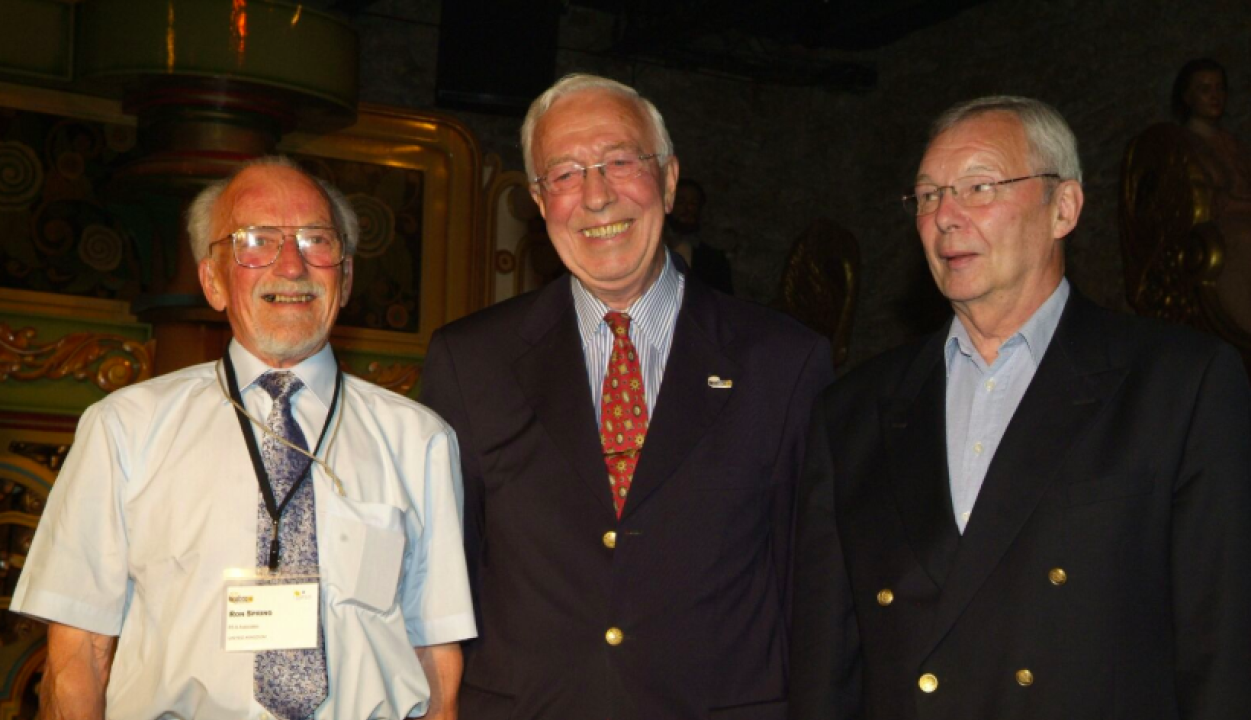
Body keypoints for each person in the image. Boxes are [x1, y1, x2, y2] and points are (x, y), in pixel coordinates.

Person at [789, 96, 1251, 720]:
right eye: (928, 195)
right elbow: (826, 670)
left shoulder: (1178, 384)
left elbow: (1223, 654)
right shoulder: (852, 413)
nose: (946, 217)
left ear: (1063, 208)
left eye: (979, 187)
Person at [419, 73, 832, 720]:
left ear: (668, 180)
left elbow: (810, 587)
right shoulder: (469, 362)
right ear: (536, 199)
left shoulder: (783, 361)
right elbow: (442, 575)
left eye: (619, 162)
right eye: (564, 173)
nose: (596, 196)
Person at [12, 157, 476, 720]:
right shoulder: (124, 429)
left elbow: (436, 659)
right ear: (212, 280)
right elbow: (77, 657)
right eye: (256, 241)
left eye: (315, 241)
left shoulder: (419, 440)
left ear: (346, 278)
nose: (291, 266)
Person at [1173, 57, 1251, 339]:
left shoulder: (1233, 143)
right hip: (1223, 228)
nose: (1215, 96)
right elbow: (1212, 200)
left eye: (1220, 88)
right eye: (1205, 89)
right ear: (1187, 96)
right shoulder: (1183, 145)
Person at [666, 179, 736, 295]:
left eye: (693, 203)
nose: (687, 208)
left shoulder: (715, 261)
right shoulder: (650, 248)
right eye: (680, 202)